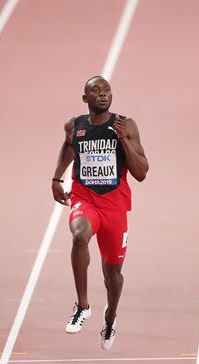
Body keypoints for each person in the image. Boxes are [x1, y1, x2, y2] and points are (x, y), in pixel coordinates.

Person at [51, 76, 148, 349]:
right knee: (79, 236)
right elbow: (69, 147)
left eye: (106, 91)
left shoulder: (125, 125)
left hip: (115, 206)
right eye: (96, 91)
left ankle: (110, 317)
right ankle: (82, 305)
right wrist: (57, 179)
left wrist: (123, 142)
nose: (102, 95)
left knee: (112, 275)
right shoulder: (75, 126)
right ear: (86, 99)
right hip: (86, 199)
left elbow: (141, 173)